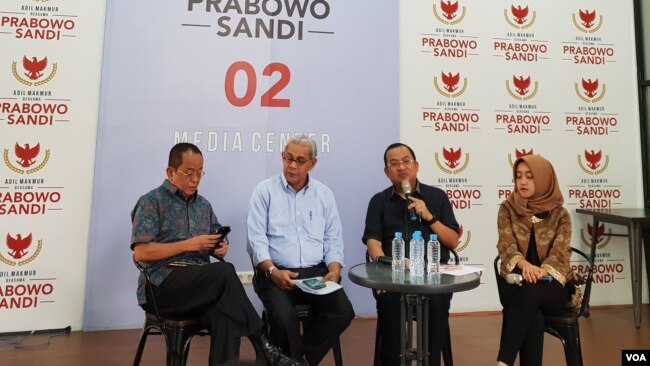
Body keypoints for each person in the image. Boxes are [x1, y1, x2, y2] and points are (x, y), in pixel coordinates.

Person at [131, 142, 300, 366]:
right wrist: (189, 245)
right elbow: (141, 253)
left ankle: (262, 349)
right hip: (162, 287)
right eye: (189, 173)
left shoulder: (204, 205)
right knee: (225, 272)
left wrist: (220, 246)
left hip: (200, 287)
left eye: (200, 173)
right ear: (170, 172)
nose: (195, 179)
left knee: (227, 315)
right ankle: (263, 345)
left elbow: (215, 239)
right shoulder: (151, 202)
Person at [247, 134, 355, 365]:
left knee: (343, 312)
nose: (292, 166)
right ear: (282, 157)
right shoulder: (264, 191)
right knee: (283, 318)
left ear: (312, 164)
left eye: (299, 160)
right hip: (274, 272)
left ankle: (296, 360)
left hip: (316, 272)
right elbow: (256, 239)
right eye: (288, 159)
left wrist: (334, 270)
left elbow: (333, 238)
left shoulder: (324, 194)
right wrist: (272, 271)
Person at [362, 142, 460, 366]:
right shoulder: (379, 202)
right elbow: (373, 242)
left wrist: (429, 216)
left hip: (433, 278)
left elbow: (453, 240)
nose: (401, 167)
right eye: (394, 164)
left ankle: (431, 361)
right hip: (393, 278)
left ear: (416, 165)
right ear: (387, 172)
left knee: (437, 305)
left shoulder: (437, 197)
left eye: (406, 161)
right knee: (391, 307)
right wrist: (383, 268)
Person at [495, 155, 574, 366]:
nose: (522, 182)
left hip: (551, 287)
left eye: (530, 177)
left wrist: (542, 271)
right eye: (518, 176)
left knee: (529, 293)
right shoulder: (507, 208)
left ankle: (503, 362)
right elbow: (506, 246)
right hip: (517, 282)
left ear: (544, 179)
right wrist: (525, 266)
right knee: (532, 313)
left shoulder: (560, 215)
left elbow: (561, 252)